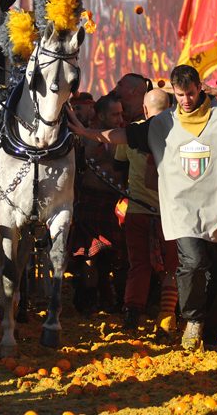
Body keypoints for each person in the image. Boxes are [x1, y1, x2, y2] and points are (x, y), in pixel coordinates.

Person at [70, 64, 217, 352]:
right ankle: (193, 320)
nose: (186, 101)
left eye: (190, 94)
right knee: (191, 264)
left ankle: (213, 333)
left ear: (199, 89)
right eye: (180, 95)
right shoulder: (163, 123)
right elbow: (122, 136)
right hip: (182, 212)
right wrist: (87, 132)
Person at [116, 89, 177, 331]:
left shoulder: (133, 132)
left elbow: (119, 166)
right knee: (173, 266)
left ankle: (132, 313)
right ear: (171, 107)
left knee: (138, 264)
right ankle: (167, 315)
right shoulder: (178, 130)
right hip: (171, 213)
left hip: (138, 210)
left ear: (144, 108)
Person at [70, 93, 126, 315]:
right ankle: (88, 302)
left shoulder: (122, 135)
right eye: (114, 114)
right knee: (89, 256)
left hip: (115, 203)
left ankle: (114, 300)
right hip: (90, 201)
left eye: (121, 113)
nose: (119, 118)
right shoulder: (85, 138)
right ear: (100, 115)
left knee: (115, 257)